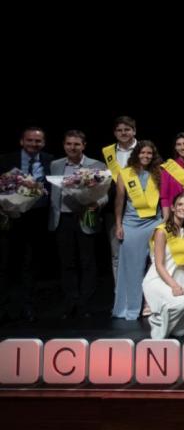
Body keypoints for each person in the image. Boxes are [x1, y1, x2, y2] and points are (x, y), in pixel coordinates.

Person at [48, 130, 107, 319]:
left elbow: (105, 192)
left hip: (85, 217)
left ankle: (84, 304)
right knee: (67, 263)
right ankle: (70, 302)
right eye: (69, 144)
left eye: (76, 144)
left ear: (84, 145)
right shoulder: (55, 165)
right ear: (64, 145)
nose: (72, 147)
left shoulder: (97, 165)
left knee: (87, 262)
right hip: (63, 219)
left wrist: (96, 203)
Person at [1, 127, 53, 323]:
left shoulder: (50, 161)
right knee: (5, 264)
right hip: (9, 218)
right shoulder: (5, 160)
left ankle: (27, 307)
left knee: (30, 265)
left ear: (43, 143)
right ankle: (3, 307)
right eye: (30, 140)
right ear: (22, 141)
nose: (34, 144)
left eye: (38, 141)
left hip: (37, 218)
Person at [112, 141, 163, 320]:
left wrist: (165, 224)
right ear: (136, 154)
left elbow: (164, 200)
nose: (146, 156)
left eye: (149, 153)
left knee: (156, 265)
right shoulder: (125, 174)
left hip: (154, 222)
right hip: (131, 224)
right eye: (142, 153)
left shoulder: (159, 173)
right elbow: (119, 201)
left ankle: (152, 305)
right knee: (131, 267)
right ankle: (129, 306)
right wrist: (118, 225)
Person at [141, 193, 184, 339]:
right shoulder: (162, 231)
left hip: (178, 277)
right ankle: (157, 326)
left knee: (183, 331)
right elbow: (159, 265)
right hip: (159, 279)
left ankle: (162, 318)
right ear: (173, 208)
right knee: (182, 302)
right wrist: (174, 286)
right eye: (180, 204)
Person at [102, 116, 138, 284]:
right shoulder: (107, 152)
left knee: (142, 253)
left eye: (127, 129)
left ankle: (143, 296)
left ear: (134, 131)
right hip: (114, 207)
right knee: (116, 253)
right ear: (115, 133)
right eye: (119, 130)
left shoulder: (144, 149)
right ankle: (120, 293)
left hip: (140, 206)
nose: (123, 133)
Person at [160, 132, 184, 224]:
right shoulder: (169, 167)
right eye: (179, 145)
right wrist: (166, 217)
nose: (182, 147)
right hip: (175, 213)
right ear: (175, 147)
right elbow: (164, 197)